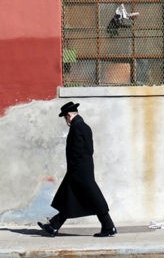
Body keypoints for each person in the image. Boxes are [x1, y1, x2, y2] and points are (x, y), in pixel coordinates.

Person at [38, 101, 117, 237]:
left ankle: (109, 227)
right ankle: (53, 226)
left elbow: (77, 151)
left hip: (79, 170)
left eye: (65, 117)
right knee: (71, 197)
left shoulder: (77, 127)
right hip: (82, 168)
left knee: (92, 196)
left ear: (69, 115)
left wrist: (74, 168)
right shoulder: (83, 126)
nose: (65, 120)